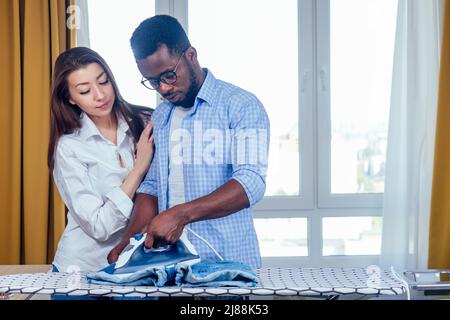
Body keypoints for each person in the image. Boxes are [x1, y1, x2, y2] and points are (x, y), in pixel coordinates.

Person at [108, 15, 270, 268]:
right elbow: (152, 186)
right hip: (171, 269)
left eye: (169, 75)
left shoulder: (241, 106)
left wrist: (180, 214)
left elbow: (251, 182)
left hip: (228, 267)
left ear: (191, 55)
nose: (163, 89)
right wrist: (129, 241)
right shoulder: (161, 116)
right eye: (152, 81)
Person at [48, 47, 154, 272]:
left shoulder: (145, 122)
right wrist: (139, 169)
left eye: (103, 82)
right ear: (70, 98)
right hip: (82, 269)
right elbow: (99, 227)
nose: (100, 95)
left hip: (136, 267)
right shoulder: (68, 147)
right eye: (85, 91)